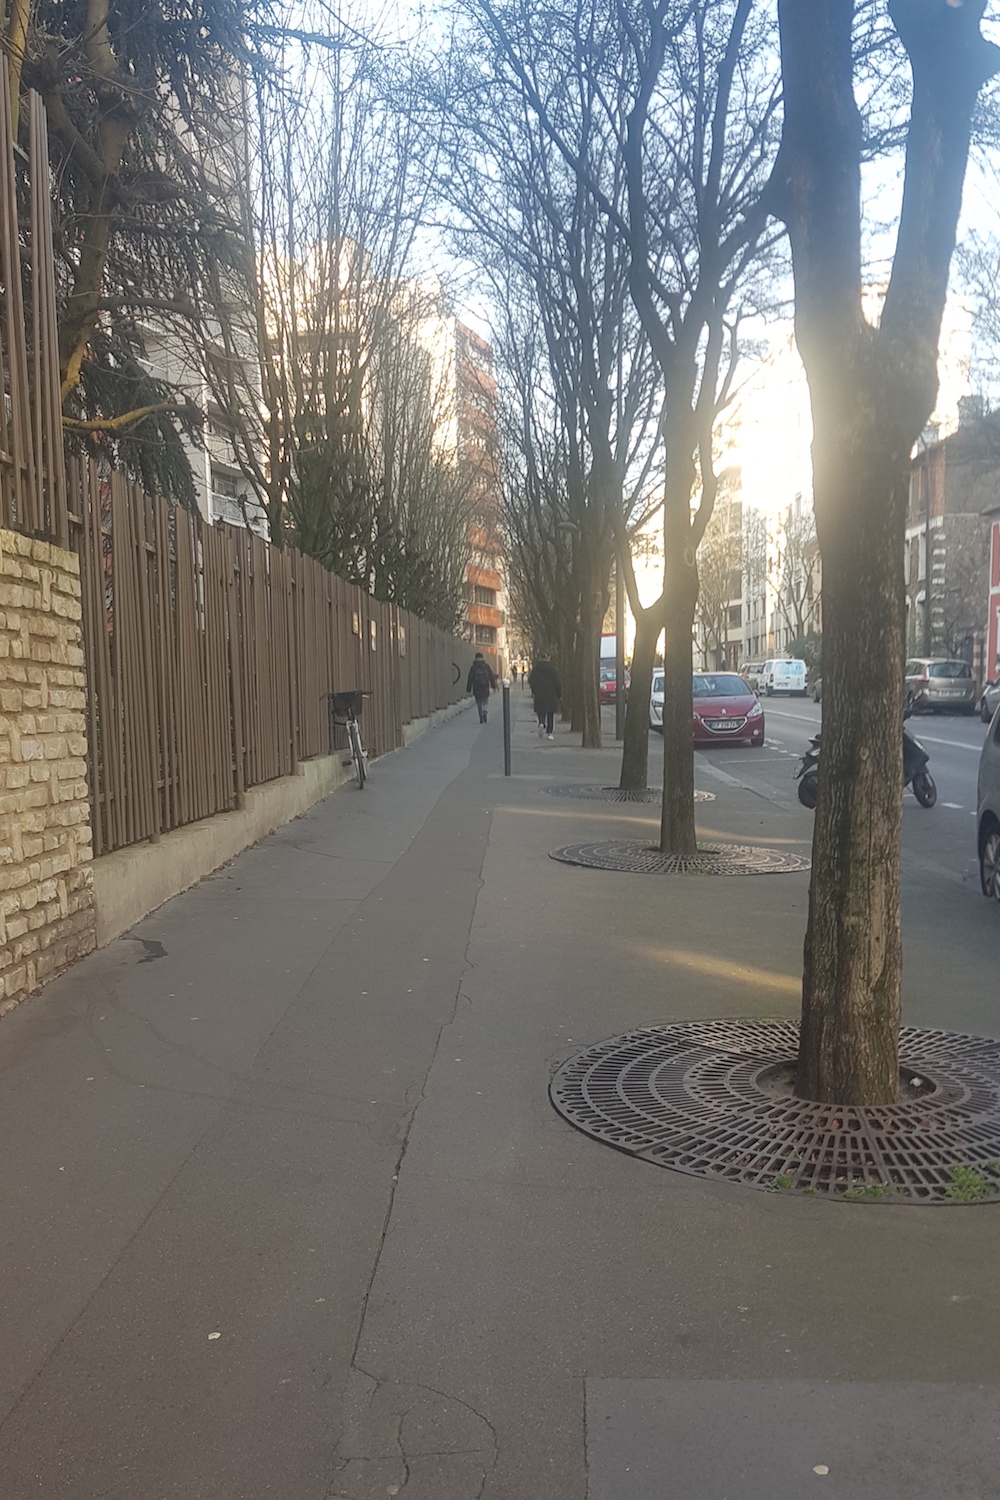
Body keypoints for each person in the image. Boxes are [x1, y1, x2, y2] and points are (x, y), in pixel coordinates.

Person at [528, 653, 561, 739]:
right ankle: (549, 733)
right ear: (548, 658)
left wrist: (534, 691)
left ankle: (541, 723)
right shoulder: (553, 670)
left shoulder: (535, 670)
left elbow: (531, 681)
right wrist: (559, 694)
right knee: (550, 714)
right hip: (551, 694)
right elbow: (557, 683)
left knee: (540, 711)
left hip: (539, 694)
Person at [466, 651, 497, 723]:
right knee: (485, 700)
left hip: (476, 687)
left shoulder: (473, 667)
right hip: (485, 686)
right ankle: (485, 711)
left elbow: (470, 678)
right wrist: (493, 685)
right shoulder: (486, 666)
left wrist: (468, 688)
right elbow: (491, 676)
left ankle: (481, 716)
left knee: (479, 702)